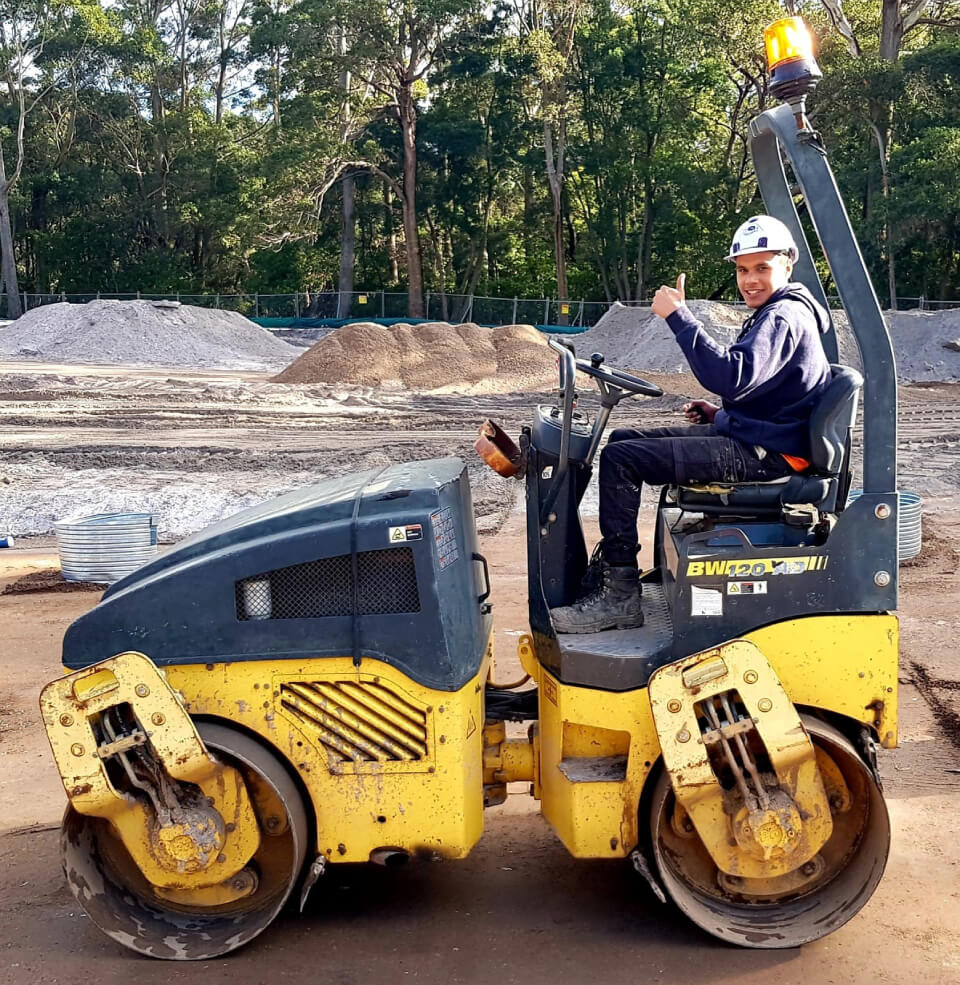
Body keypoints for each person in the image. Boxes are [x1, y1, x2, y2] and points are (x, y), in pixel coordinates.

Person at [550, 215, 832, 634]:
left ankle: (620, 596)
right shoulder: (779, 311)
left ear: (788, 265)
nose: (750, 279)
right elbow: (770, 397)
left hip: (766, 456)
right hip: (759, 439)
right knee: (625, 440)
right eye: (742, 269)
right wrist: (719, 415)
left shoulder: (783, 317)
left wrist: (679, 318)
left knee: (620, 459)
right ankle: (614, 570)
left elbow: (732, 376)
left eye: (761, 268)